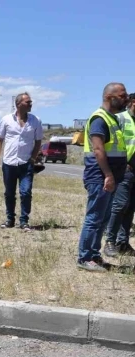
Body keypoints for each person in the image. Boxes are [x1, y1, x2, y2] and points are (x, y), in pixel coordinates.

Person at [77, 83, 130, 272]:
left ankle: (94, 254)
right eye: (122, 95)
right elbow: (98, 149)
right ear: (110, 97)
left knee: (103, 218)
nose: (126, 98)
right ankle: (84, 257)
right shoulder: (99, 119)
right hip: (99, 176)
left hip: (110, 176)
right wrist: (108, 175)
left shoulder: (112, 119)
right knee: (94, 217)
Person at [0, 92, 43, 232]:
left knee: (26, 192)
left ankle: (24, 221)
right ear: (18, 104)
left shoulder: (35, 121)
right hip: (9, 163)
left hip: (26, 163)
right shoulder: (6, 120)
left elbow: (38, 141)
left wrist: (33, 158)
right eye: (28, 102)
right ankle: (10, 219)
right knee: (9, 192)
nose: (31, 104)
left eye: (31, 102)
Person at [104, 93, 135, 257]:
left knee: (130, 208)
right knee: (120, 205)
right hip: (124, 170)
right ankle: (110, 241)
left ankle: (123, 243)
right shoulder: (120, 118)